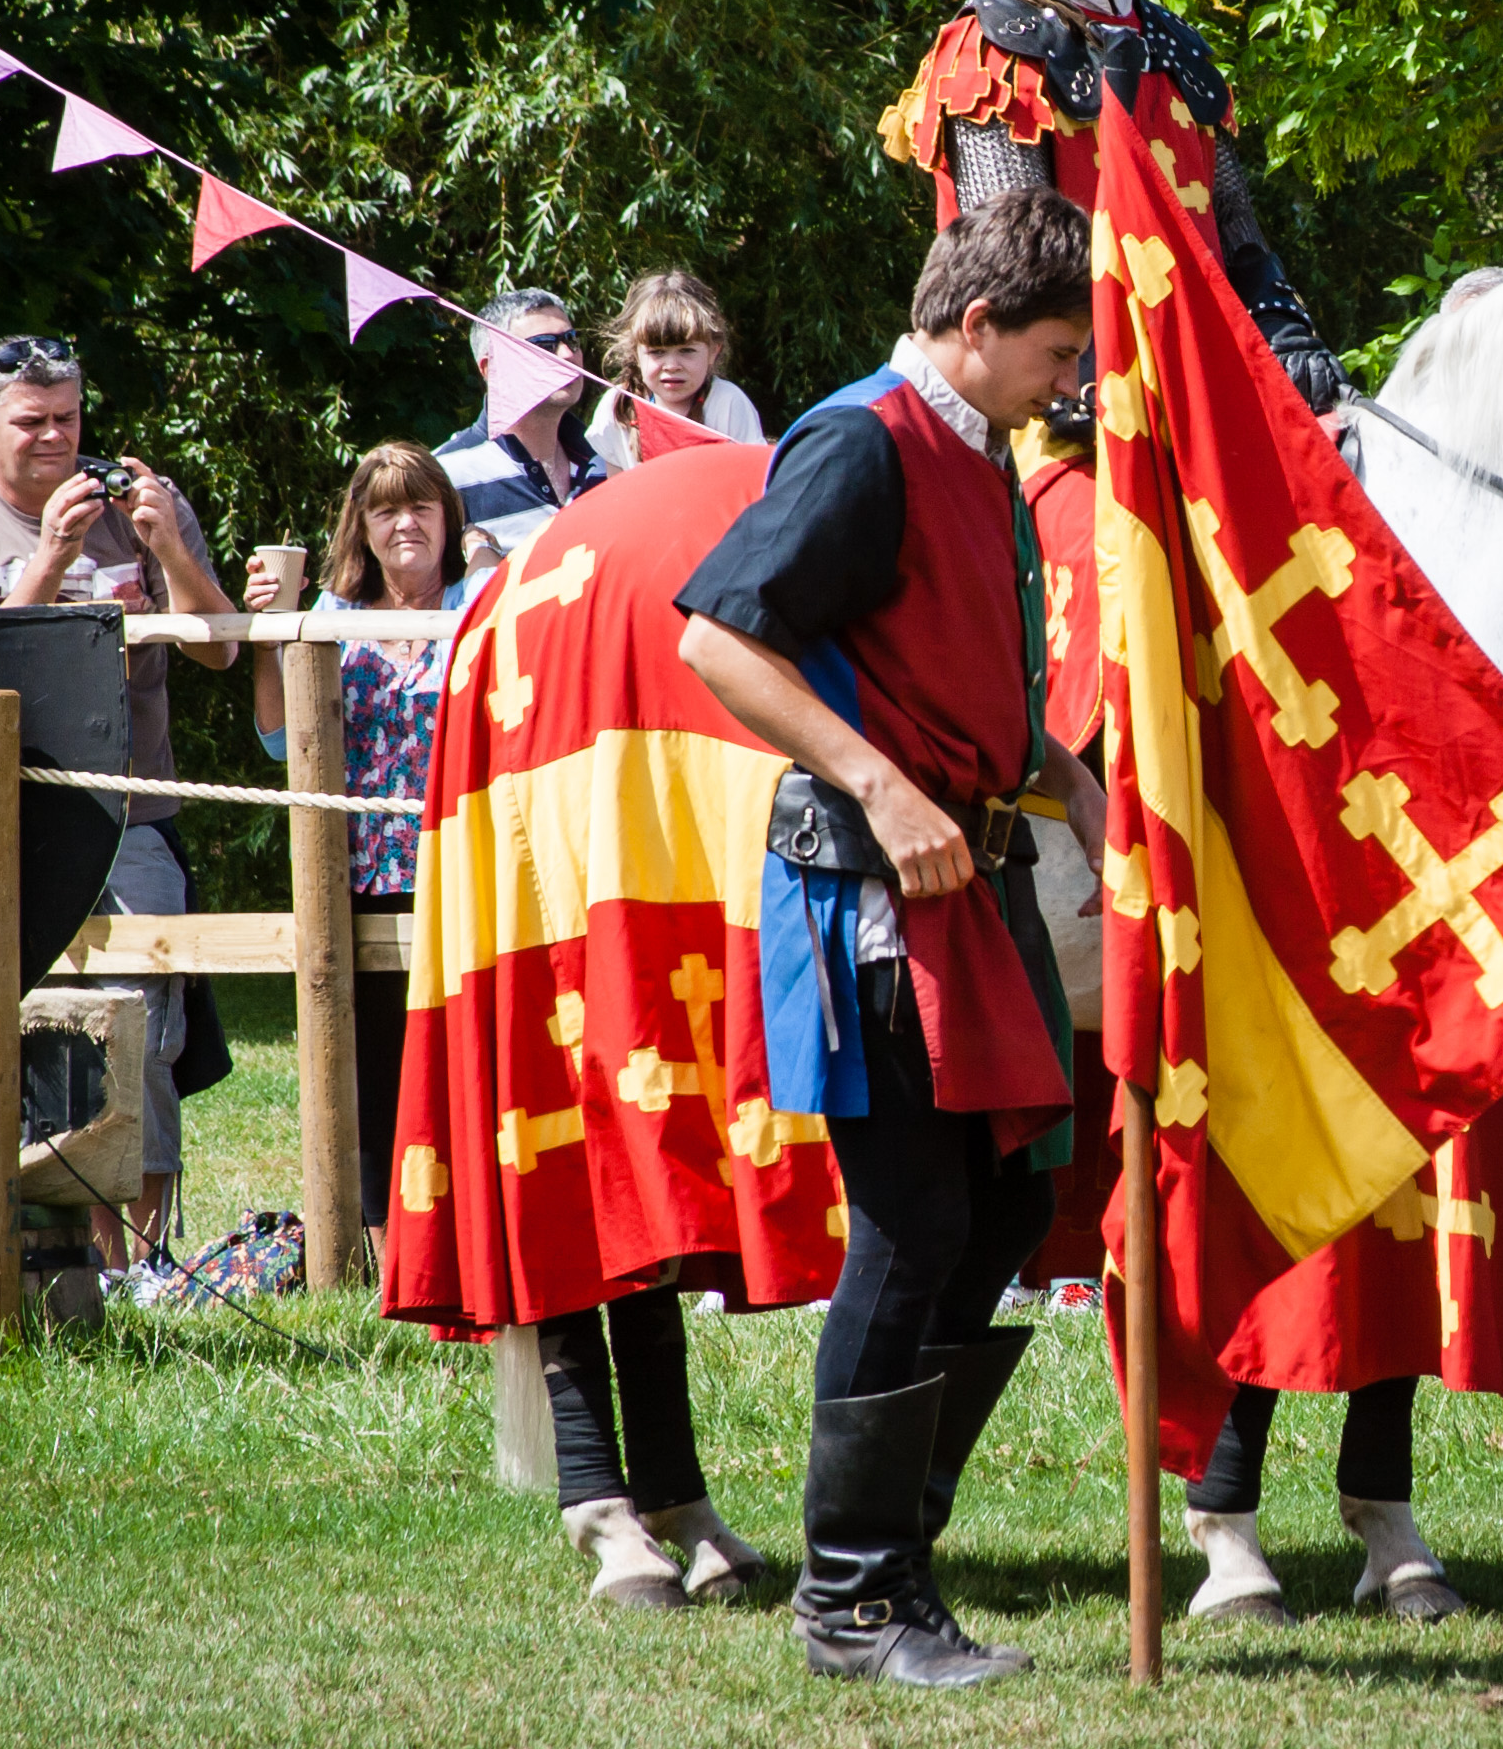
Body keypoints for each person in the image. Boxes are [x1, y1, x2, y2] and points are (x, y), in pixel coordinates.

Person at [677, 186, 1107, 1689]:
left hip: (971, 885)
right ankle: (853, 1602)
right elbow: (718, 636)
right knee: (916, 1224)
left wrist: (1067, 779)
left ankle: (895, 1554)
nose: (1070, 382)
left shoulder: (980, 448)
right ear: (975, 325)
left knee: (1004, 1210)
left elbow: (953, 672)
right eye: (1057, 353)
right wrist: (876, 783)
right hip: (869, 888)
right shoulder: (863, 440)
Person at [0, 335, 237, 1264]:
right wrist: (50, 557)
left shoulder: (146, 504)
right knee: (24, 1024)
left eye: (69, 418)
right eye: (31, 421)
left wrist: (167, 546)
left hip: (133, 810)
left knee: (146, 1032)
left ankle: (144, 1262)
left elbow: (219, 648)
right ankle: (47, 1249)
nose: (55, 438)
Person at [879, 0, 1349, 415]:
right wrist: (1084, 380)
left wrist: (1280, 325)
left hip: (1202, 384)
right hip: (1056, 403)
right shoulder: (995, 47)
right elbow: (1012, 269)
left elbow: (1233, 228)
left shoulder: (1174, 44)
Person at [244, 443, 470, 1233]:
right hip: (362, 869)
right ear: (361, 527)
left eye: (420, 507)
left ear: (448, 518)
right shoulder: (332, 617)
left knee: (466, 1053)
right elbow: (279, 738)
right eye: (386, 510)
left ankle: (471, 1232)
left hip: (465, 861)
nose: (405, 524)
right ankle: (383, 1243)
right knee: (376, 1064)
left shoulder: (481, 600)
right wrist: (272, 633)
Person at [436, 290, 607, 566]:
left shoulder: (609, 458)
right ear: (491, 369)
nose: (567, 355)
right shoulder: (443, 475)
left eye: (571, 339)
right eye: (544, 345)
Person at [585, 270, 766, 472]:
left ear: (713, 352)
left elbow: (754, 479)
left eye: (687, 351)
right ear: (635, 353)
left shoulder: (728, 403)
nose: (672, 366)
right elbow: (616, 489)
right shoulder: (616, 406)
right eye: (657, 352)